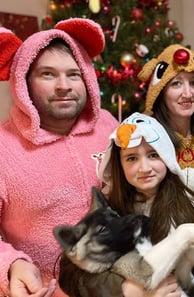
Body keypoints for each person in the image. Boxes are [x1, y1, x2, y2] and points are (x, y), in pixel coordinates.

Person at [0, 19, 119, 297]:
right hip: (47, 290)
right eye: (48, 74)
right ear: (25, 81)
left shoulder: (110, 125)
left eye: (74, 74)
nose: (64, 85)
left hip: (120, 285)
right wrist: (10, 265)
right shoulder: (3, 147)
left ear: (88, 77)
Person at [58, 112, 194, 296]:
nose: (145, 168)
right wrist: (126, 289)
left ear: (166, 157)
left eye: (153, 155)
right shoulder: (109, 210)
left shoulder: (192, 207)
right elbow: (70, 275)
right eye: (132, 158)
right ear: (119, 163)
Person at [137, 44, 194, 223]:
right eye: (176, 83)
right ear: (161, 91)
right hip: (165, 242)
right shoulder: (146, 137)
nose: (188, 93)